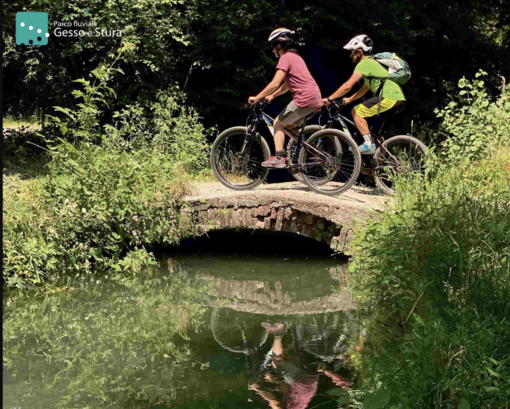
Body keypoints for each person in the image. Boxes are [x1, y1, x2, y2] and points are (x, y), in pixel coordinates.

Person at [248, 28, 323, 168]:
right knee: (288, 126)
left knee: (277, 123)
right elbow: (287, 85)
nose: (272, 51)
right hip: (315, 97)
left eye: (273, 47)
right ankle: (313, 151)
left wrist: (257, 97)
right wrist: (272, 96)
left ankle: (279, 157)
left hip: (304, 98)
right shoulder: (296, 57)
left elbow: (275, 82)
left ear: (278, 45)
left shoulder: (285, 58)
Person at [322, 35, 406, 154]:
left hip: (388, 96)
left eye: (352, 52)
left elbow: (348, 85)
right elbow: (364, 88)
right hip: (395, 97)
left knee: (357, 111)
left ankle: (368, 145)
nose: (350, 55)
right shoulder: (371, 64)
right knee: (374, 133)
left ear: (360, 51)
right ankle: (377, 162)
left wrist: (330, 98)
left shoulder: (364, 64)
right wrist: (350, 99)